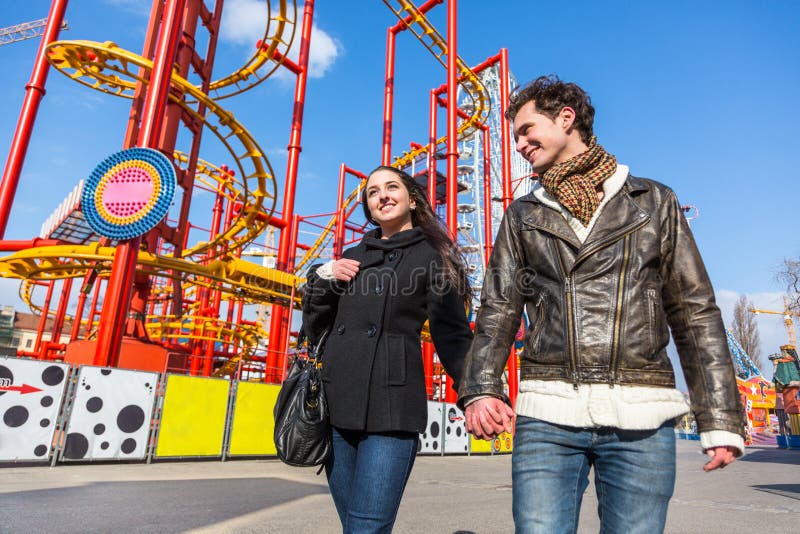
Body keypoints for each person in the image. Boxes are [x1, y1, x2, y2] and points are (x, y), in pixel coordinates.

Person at [457, 75, 745, 533]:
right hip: (548, 409)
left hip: (641, 412)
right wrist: (480, 389)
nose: (519, 144)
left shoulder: (654, 202)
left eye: (527, 129)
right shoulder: (524, 214)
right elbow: (498, 307)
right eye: (515, 135)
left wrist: (721, 418)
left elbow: (695, 313)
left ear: (566, 118)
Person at [302, 165, 473, 533]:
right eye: (372, 192)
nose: (382, 195)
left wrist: (475, 392)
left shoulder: (432, 256)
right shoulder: (352, 254)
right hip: (336, 403)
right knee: (354, 526)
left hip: (391, 406)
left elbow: (452, 335)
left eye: (391, 187)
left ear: (412, 199)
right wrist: (322, 278)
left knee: (366, 527)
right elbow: (315, 328)